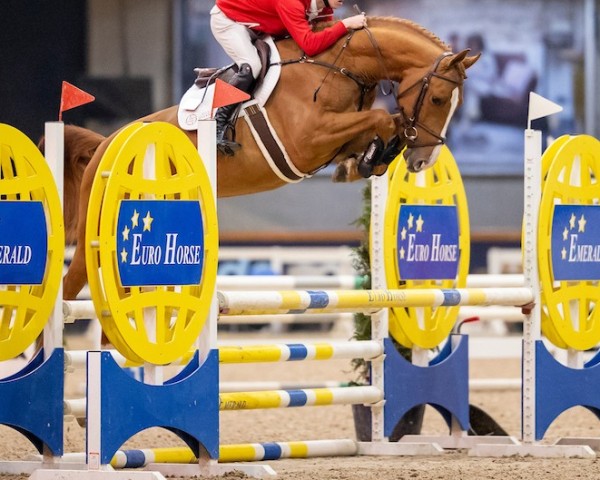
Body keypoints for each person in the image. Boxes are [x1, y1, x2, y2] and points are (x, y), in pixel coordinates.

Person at [210, 0, 367, 155]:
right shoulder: (291, 3)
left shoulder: (323, 9)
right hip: (228, 20)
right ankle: (218, 123)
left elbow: (324, 43)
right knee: (252, 65)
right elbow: (310, 45)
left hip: (259, 24)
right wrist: (345, 24)